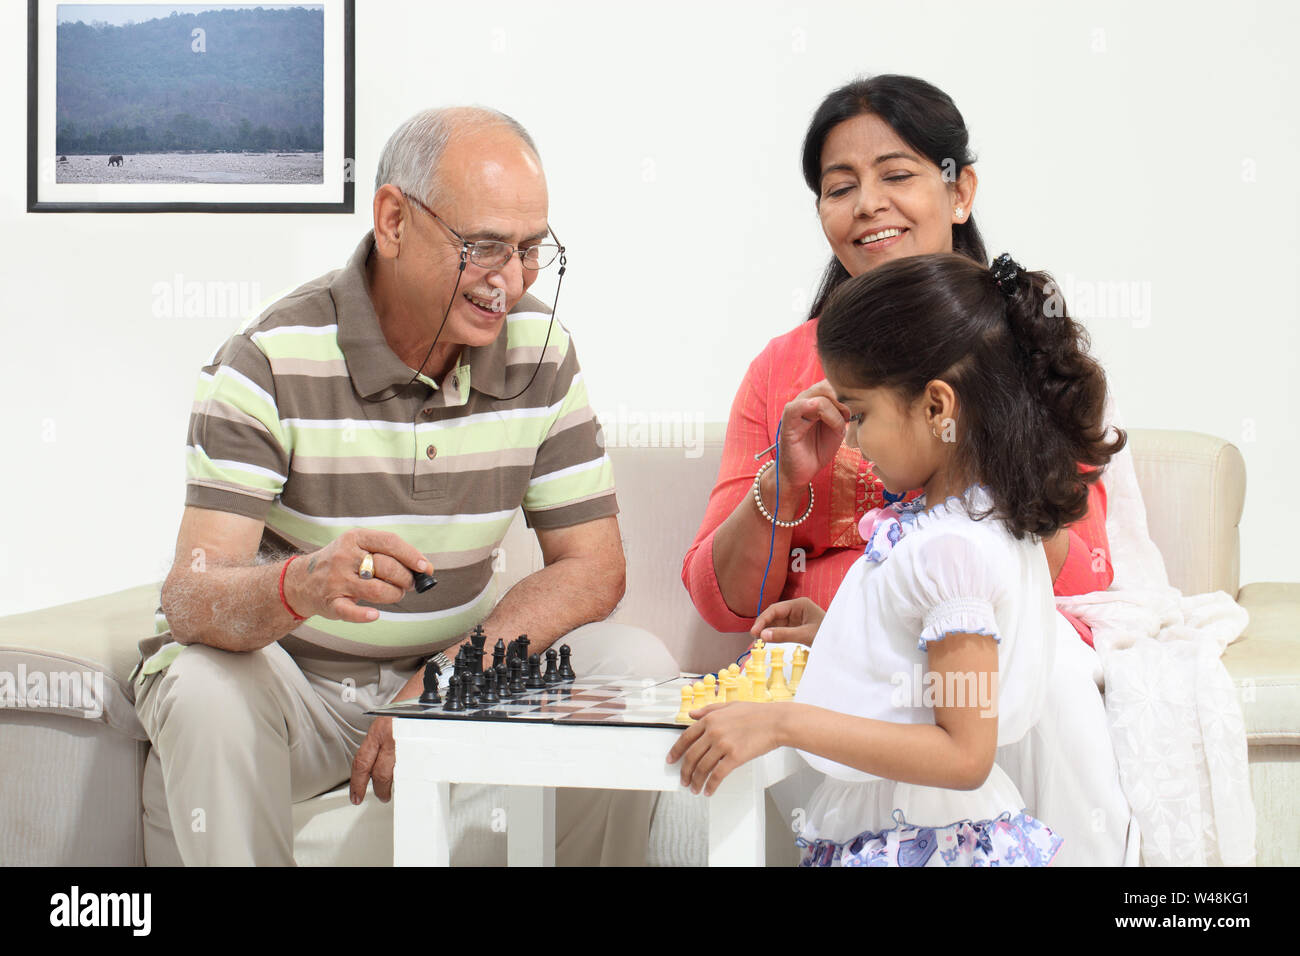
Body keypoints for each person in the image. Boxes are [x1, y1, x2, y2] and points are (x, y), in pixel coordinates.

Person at [131, 106, 678, 866]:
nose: (511, 280)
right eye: (484, 246)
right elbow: (190, 595)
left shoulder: (540, 349)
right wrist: (301, 583)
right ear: (392, 219)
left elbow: (593, 567)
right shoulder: (269, 361)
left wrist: (447, 680)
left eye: (530, 250)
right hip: (300, 695)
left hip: (457, 680)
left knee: (635, 667)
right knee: (199, 688)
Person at [669, 252, 1126, 865]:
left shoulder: (951, 550)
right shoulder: (975, 521)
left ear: (937, 408)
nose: (851, 440)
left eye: (859, 415)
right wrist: (842, 632)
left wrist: (781, 723)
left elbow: (964, 755)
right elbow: (931, 674)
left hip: (924, 836)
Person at [681, 75, 1111, 647]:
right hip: (817, 682)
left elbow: (1091, 584)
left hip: (975, 673)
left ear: (959, 192)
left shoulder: (1021, 340)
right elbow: (725, 607)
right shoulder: (782, 367)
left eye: (898, 175)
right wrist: (782, 483)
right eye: (840, 188)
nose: (867, 204)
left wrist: (989, 464)